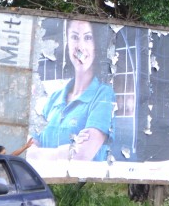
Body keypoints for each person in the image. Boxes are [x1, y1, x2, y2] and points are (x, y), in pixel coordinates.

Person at [28, 19, 116, 161]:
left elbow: (82, 156)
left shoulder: (103, 95)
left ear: (95, 45)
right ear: (67, 43)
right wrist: (68, 150)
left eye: (87, 38)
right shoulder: (54, 98)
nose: (80, 47)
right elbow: (27, 148)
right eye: (74, 37)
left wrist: (38, 154)